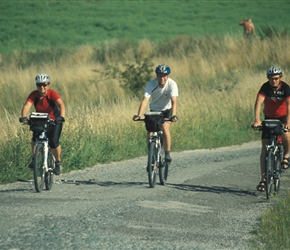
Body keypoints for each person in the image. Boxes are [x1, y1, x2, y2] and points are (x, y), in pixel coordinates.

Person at [19, 73, 66, 175]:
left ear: (48, 85)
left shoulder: (52, 94)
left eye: (44, 85)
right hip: (40, 119)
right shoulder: (34, 94)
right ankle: (34, 158)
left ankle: (58, 162)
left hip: (55, 120)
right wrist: (23, 117)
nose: (42, 87)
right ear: (36, 85)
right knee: (35, 139)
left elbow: (61, 104)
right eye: (39, 85)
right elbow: (27, 105)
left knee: (53, 142)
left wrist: (61, 117)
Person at [253, 67, 290, 191]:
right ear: (268, 78)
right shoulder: (265, 88)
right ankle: (263, 180)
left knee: (287, 135)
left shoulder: (285, 88)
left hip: (283, 118)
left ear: (280, 78)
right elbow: (258, 103)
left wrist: (288, 122)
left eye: (276, 79)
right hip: (269, 118)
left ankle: (286, 155)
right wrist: (257, 120)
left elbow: (289, 105)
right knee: (265, 148)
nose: (273, 81)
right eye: (271, 79)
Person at [133, 64, 178, 163]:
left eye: (164, 76)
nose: (162, 78)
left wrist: (173, 115)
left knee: (165, 128)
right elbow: (145, 100)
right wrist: (138, 115)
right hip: (154, 110)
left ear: (168, 76)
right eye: (159, 75)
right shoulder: (151, 84)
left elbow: (174, 101)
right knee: (149, 130)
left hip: (167, 110)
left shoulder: (172, 84)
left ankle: (167, 153)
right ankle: (151, 153)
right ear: (156, 76)